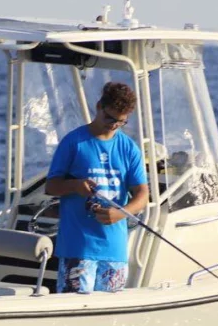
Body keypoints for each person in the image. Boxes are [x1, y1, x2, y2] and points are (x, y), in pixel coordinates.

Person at [44, 81, 149, 294]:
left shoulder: (129, 148)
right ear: (99, 106)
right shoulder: (74, 142)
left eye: (121, 122)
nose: (113, 125)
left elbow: (142, 195)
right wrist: (75, 185)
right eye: (109, 118)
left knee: (110, 316)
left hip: (115, 250)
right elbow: (51, 186)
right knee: (73, 311)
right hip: (78, 248)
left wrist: (121, 213)